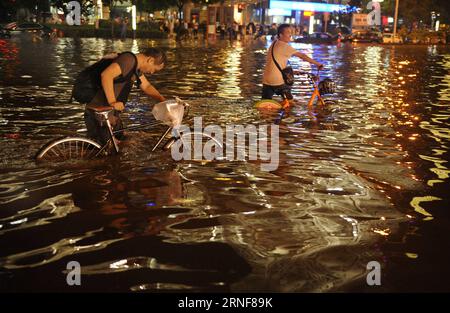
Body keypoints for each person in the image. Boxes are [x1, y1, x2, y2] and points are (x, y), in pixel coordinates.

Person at [85, 48, 167, 145]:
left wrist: (163, 100)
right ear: (150, 60)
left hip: (111, 115)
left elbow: (146, 86)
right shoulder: (128, 60)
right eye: (154, 69)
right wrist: (112, 102)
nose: (152, 72)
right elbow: (106, 75)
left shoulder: (135, 67)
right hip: (100, 114)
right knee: (106, 153)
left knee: (125, 144)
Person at [262, 24, 323, 103]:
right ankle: (289, 110)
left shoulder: (273, 44)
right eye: (287, 32)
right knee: (291, 104)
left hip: (266, 80)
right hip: (277, 81)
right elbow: (303, 56)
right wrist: (318, 64)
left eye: (291, 32)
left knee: (265, 104)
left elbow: (278, 64)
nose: (290, 34)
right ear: (280, 35)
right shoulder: (285, 46)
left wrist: (294, 72)